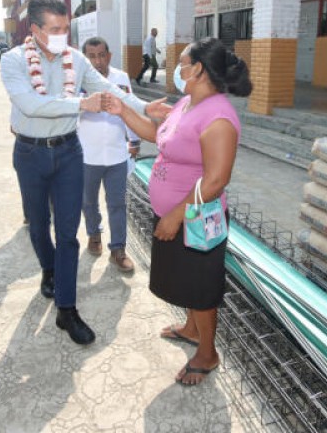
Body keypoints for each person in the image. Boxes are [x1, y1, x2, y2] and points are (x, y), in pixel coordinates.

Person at [1, 0, 169, 346]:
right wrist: (82, 103)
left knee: (67, 233)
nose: (63, 35)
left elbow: (107, 89)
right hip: (30, 154)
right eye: (55, 29)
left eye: (66, 28)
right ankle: (48, 269)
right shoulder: (13, 61)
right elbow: (29, 105)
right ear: (34, 29)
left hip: (68, 153)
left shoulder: (75, 60)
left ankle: (67, 308)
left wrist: (142, 105)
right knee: (38, 223)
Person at [104, 37, 252, 385]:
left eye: (183, 63)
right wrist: (123, 112)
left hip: (195, 219)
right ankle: (191, 329)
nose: (178, 69)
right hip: (177, 215)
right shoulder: (188, 102)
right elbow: (159, 138)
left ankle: (208, 353)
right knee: (187, 283)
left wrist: (175, 216)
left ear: (198, 69)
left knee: (201, 288)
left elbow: (216, 180)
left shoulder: (218, 117)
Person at [78, 36, 140, 273]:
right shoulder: (77, 81)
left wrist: (134, 139)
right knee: (88, 201)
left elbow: (130, 108)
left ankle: (118, 249)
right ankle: (94, 235)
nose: (97, 61)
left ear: (109, 56)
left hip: (116, 154)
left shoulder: (121, 78)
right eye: (92, 56)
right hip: (86, 156)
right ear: (85, 58)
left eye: (101, 55)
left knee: (117, 204)